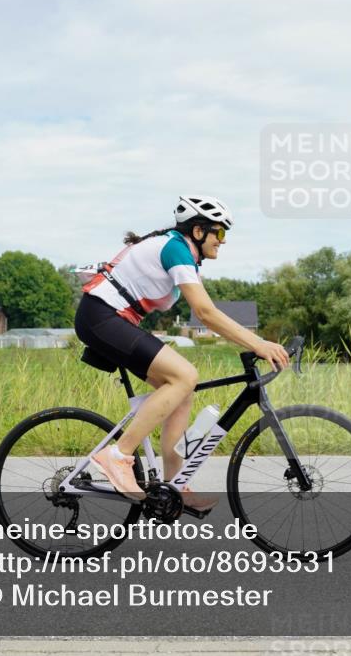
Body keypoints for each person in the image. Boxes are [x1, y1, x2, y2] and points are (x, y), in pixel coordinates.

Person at [74, 195, 290, 512]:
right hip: (101, 317)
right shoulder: (175, 248)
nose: (223, 241)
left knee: (182, 390)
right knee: (185, 375)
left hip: (110, 319)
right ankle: (118, 456)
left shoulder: (182, 254)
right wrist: (258, 343)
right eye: (221, 232)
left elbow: (208, 310)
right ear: (199, 231)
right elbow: (205, 313)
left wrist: (250, 341)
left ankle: (175, 483)